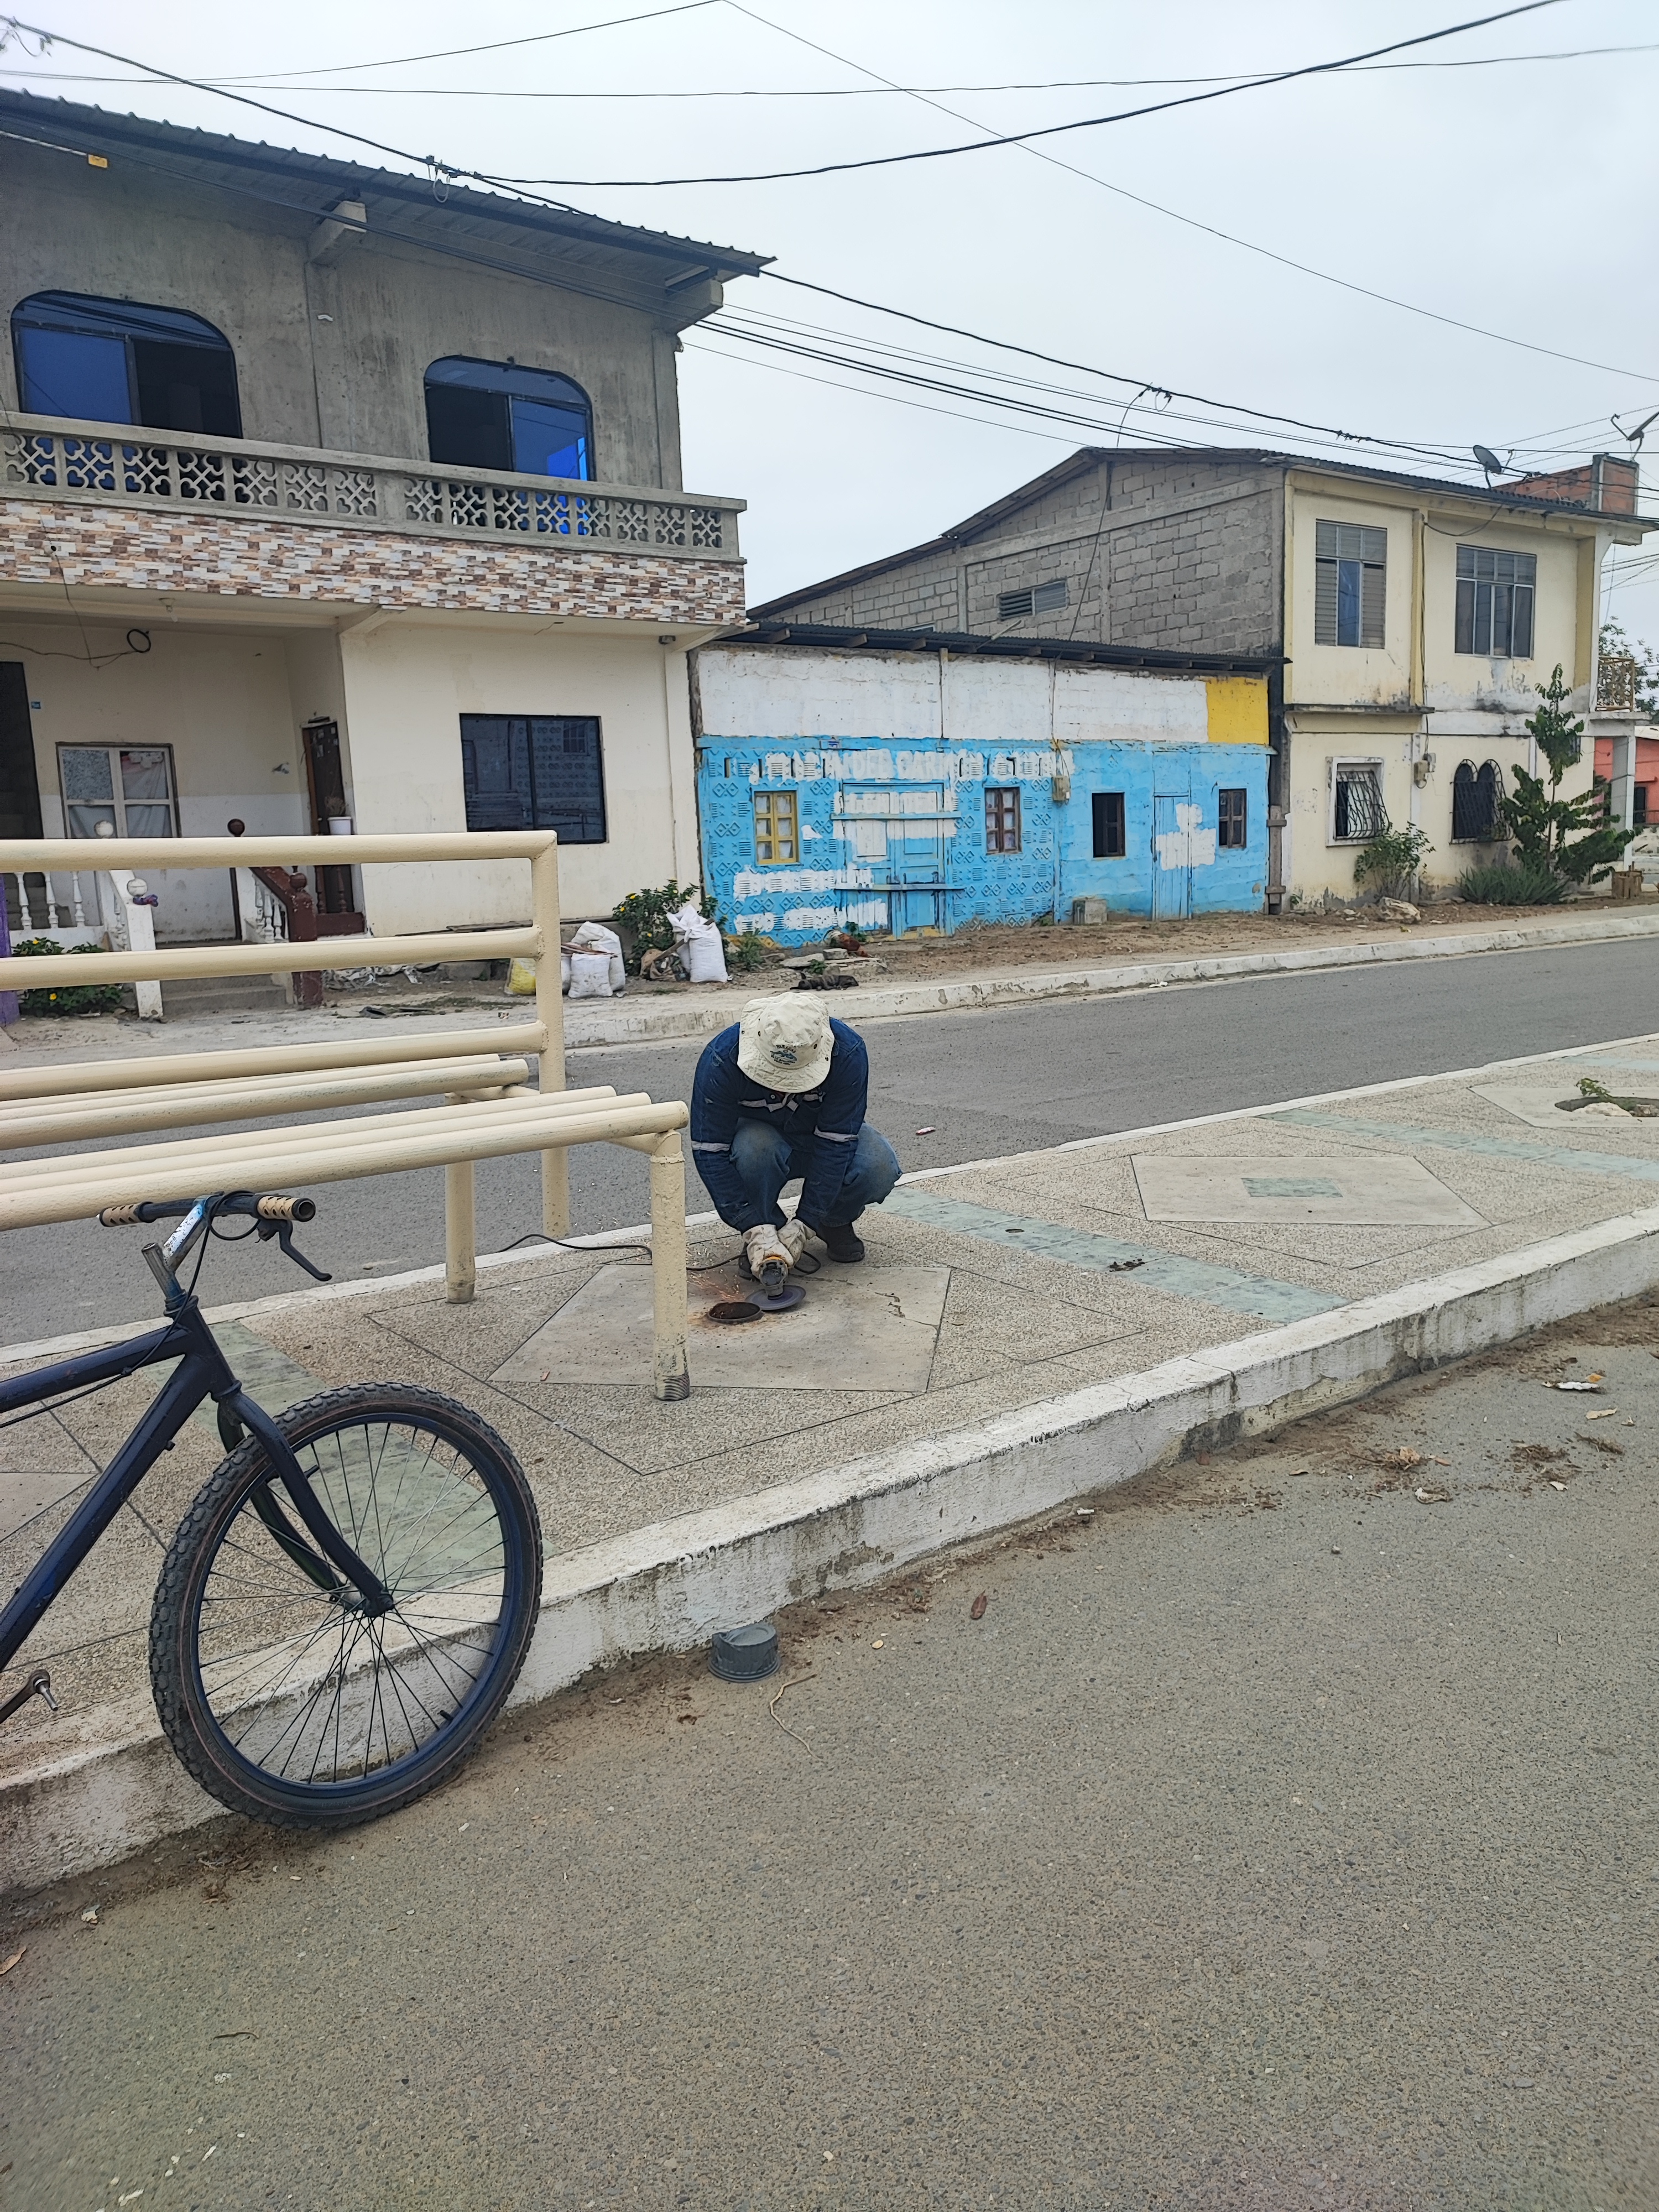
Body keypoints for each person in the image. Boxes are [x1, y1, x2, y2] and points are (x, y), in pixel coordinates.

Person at [689, 994, 901, 1280]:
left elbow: (836, 1141)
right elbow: (710, 1150)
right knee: (755, 1150)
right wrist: (750, 1224)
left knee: (878, 1165)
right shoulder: (722, 1058)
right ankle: (765, 1232)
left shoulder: (848, 1053)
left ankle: (832, 1221)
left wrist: (807, 1222)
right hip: (761, 1138)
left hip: (818, 1135)